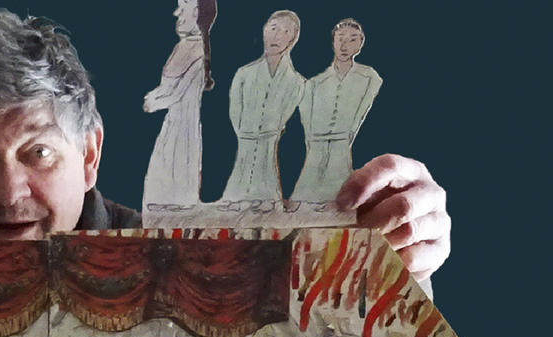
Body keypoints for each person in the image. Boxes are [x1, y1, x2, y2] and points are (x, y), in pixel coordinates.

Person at [0, 10, 452, 287]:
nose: (10, 192)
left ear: (89, 156)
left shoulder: (197, 261)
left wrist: (401, 273)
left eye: (37, 153)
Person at [292, 19, 382, 204]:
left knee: (339, 193)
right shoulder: (316, 83)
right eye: (340, 38)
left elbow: (362, 110)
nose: (344, 45)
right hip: (317, 141)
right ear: (333, 41)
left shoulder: (369, 77)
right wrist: (312, 139)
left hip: (342, 140)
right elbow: (306, 117)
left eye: (352, 39)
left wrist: (348, 133)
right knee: (304, 194)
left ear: (360, 43)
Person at [220, 10, 305, 204]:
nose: (277, 36)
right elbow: (236, 109)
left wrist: (271, 128)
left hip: (270, 138)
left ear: (293, 39)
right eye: (273, 29)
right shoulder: (244, 74)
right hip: (245, 136)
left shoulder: (296, 82)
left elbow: (286, 112)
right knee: (237, 186)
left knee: (267, 183)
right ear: (265, 31)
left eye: (285, 31)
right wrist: (245, 130)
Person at [142, 0, 217, 207]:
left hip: (184, 120)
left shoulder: (196, 50)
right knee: (166, 158)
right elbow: (168, 88)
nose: (177, 13)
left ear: (197, 13)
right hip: (174, 118)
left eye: (183, 8)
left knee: (177, 157)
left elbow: (178, 92)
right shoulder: (183, 47)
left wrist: (154, 102)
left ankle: (176, 203)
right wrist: (156, 96)